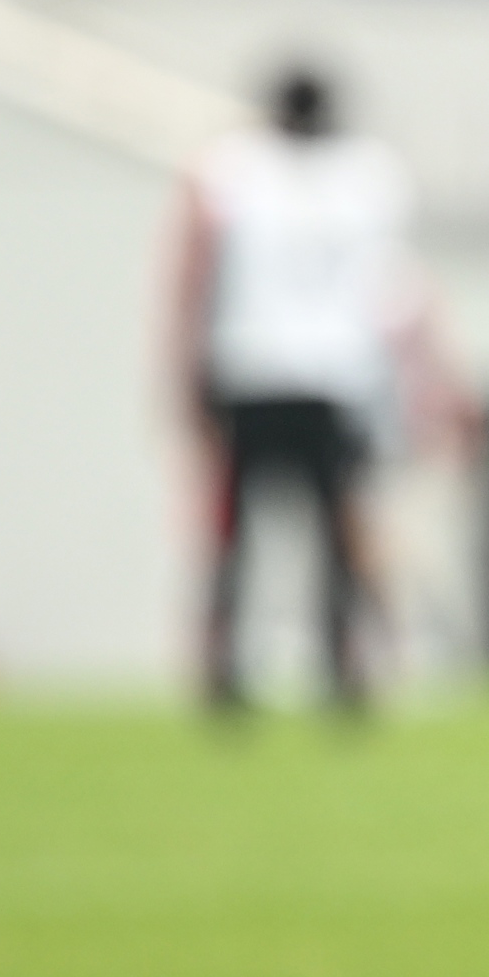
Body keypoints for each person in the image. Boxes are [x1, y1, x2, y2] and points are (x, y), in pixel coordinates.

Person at [173, 63, 427, 714]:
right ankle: (341, 665)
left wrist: (185, 370)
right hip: (334, 375)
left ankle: (223, 667)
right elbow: (394, 289)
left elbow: (193, 270)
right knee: (333, 532)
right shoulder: (368, 177)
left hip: (250, 368)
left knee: (237, 537)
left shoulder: (232, 171)